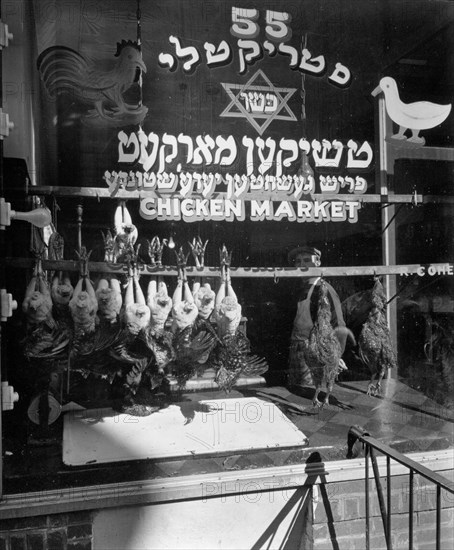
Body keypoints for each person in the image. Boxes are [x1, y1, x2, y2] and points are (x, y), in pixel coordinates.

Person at [287, 245, 347, 387]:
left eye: (307, 260)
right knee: (296, 391)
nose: (301, 264)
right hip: (298, 349)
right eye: (298, 261)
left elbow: (339, 325)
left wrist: (336, 355)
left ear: (318, 263)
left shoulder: (324, 289)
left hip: (315, 351)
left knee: (310, 392)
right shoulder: (304, 289)